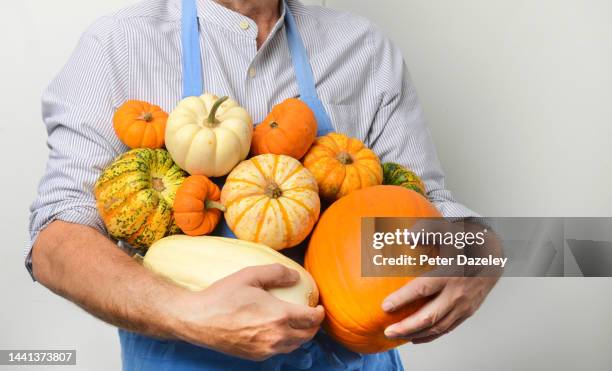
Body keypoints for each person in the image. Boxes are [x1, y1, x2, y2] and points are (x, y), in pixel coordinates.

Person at [27, 0, 499, 369]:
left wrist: (485, 254)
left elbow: (432, 207)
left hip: (356, 358)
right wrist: (182, 312)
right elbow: (55, 240)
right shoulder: (118, 45)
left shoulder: (363, 49)